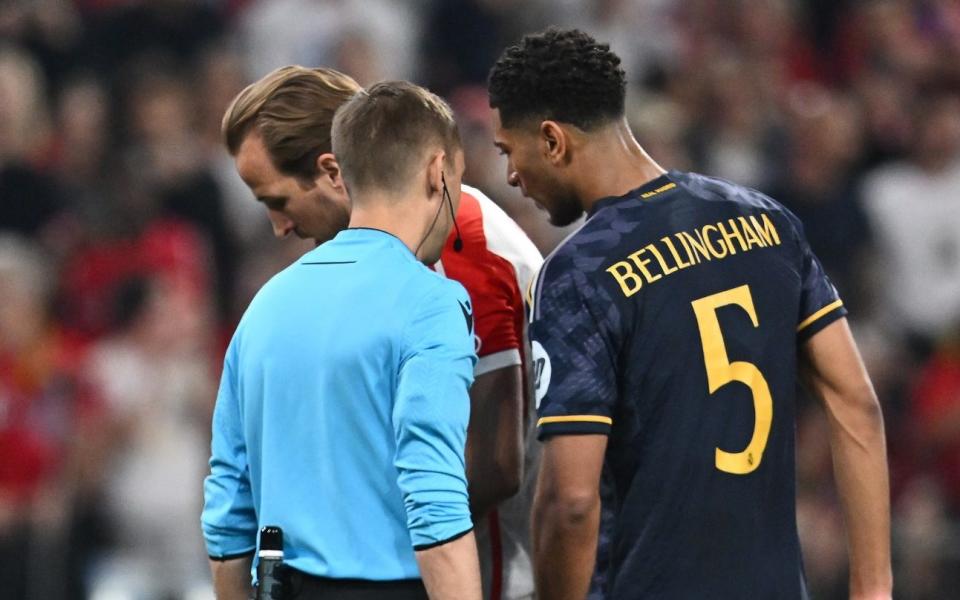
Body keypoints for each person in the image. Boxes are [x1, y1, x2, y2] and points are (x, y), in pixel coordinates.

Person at [487, 28, 893, 600]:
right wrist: (874, 587)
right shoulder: (766, 221)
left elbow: (572, 503)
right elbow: (857, 403)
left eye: (509, 150)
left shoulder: (578, 272)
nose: (510, 175)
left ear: (552, 140)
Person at [218, 65, 542, 600]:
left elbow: (496, 461)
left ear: (332, 171)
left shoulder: (462, 249)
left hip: (491, 579)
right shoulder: (352, 270)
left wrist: (341, 538)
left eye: (276, 200)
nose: (279, 226)